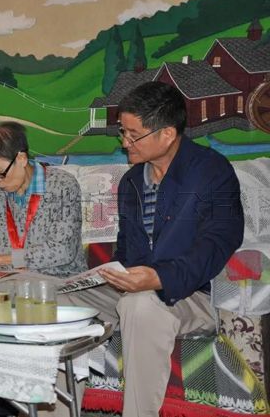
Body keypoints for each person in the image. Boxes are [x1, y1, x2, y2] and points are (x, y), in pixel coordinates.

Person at [59, 81, 244, 417]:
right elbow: (127, 248)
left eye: (133, 135)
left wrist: (158, 278)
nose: (124, 142)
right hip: (134, 288)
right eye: (122, 132)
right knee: (58, 301)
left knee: (141, 305)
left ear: (167, 134)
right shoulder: (132, 182)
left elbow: (218, 242)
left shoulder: (212, 172)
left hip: (190, 295)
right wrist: (114, 274)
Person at [0, 121, 87, 277]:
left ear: (21, 159)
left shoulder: (62, 186)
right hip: (9, 282)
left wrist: (2, 260)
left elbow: (62, 251)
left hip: (58, 280)